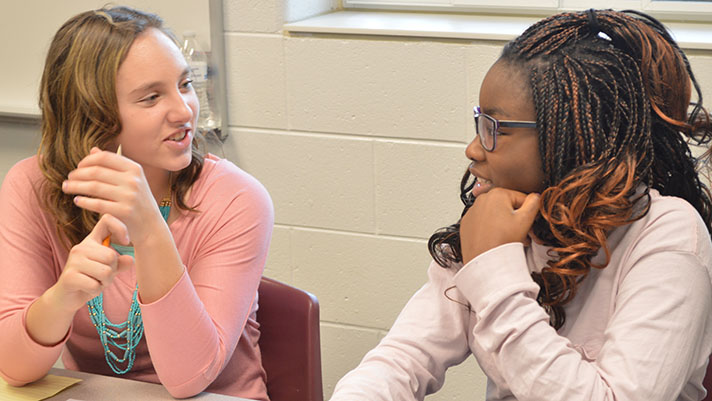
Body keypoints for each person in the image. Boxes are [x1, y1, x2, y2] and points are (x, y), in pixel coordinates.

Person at [330, 8, 712, 401]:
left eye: (494, 128)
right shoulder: (499, 226)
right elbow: (400, 361)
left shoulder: (667, 234)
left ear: (572, 138)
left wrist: (496, 272)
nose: (473, 149)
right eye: (479, 122)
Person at [0, 6, 273, 400]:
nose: (184, 111)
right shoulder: (31, 187)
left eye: (185, 84)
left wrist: (148, 229)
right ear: (93, 115)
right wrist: (61, 299)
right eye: (151, 97)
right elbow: (14, 368)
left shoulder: (237, 198)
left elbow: (188, 378)